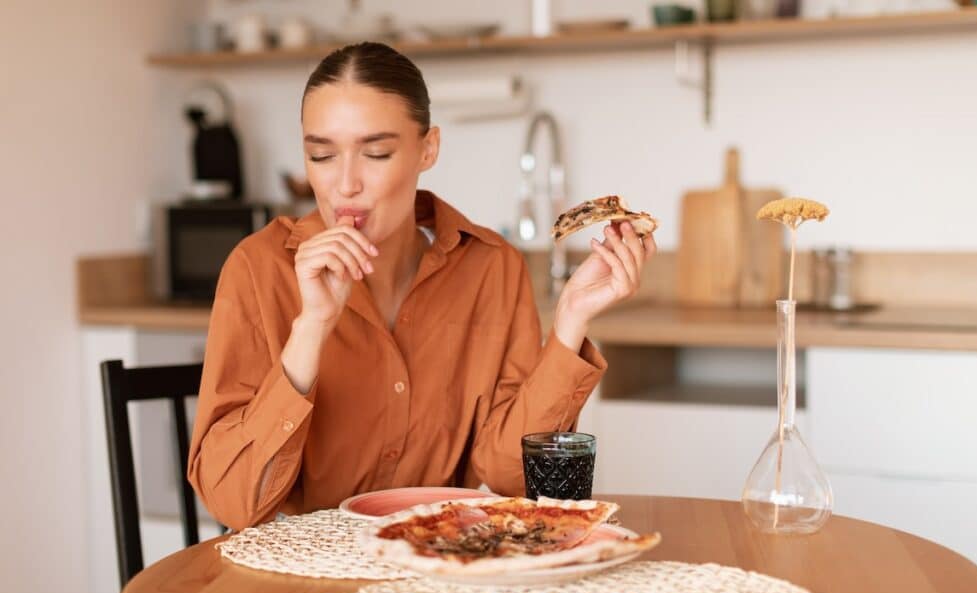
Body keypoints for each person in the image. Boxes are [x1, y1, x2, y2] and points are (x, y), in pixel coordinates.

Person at [187, 42, 657, 530]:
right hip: (300, 581)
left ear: (427, 149)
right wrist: (311, 329)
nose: (345, 184)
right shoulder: (257, 269)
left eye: (376, 153)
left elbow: (511, 480)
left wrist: (570, 323)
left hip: (443, 568)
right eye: (321, 155)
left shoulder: (490, 268)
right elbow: (232, 505)